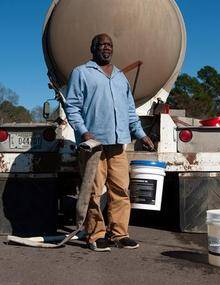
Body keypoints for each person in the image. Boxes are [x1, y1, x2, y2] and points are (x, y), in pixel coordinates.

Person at [65, 33, 155, 252]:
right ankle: (95, 234)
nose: (106, 48)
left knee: (121, 188)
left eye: (109, 45)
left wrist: (141, 134)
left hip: (118, 144)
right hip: (93, 145)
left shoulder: (119, 77)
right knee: (94, 191)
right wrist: (84, 133)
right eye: (101, 44)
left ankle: (120, 234)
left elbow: (130, 110)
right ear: (93, 48)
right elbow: (72, 107)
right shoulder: (81, 73)